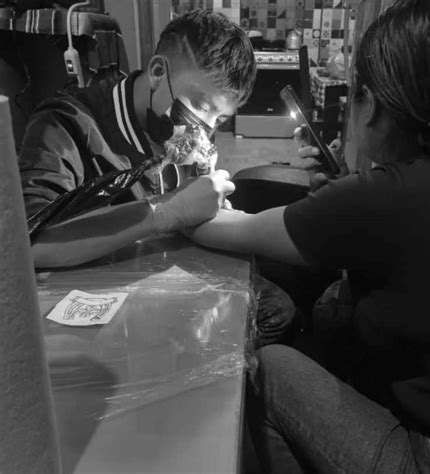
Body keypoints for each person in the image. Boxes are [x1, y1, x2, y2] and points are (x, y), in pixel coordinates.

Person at [186, 0, 430, 471]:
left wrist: (177, 203)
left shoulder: (390, 197)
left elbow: (224, 228)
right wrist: (344, 192)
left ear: (372, 106)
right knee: (328, 307)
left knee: (272, 370)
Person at [19, 9, 295, 348]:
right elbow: (30, 244)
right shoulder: (66, 125)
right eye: (200, 104)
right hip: (99, 295)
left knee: (277, 309)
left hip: (169, 272)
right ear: (158, 72)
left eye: (220, 119)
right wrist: (166, 211)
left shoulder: (188, 131)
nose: (206, 128)